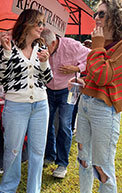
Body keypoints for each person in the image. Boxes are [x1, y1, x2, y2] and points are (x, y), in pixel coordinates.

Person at [71, 0, 122, 193]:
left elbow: (103, 77)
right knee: (83, 156)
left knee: (102, 165)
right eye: (95, 14)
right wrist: (82, 81)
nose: (96, 18)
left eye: (101, 14)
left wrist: (97, 47)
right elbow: (94, 77)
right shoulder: (101, 45)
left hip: (104, 110)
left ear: (115, 16)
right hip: (85, 104)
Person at [0, 9, 53, 193]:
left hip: (40, 105)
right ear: (27, 24)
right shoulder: (9, 46)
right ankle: (7, 190)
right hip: (16, 105)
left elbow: (48, 79)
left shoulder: (41, 46)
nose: (42, 27)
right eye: (39, 23)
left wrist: (44, 64)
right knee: (13, 149)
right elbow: (1, 78)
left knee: (37, 152)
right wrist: (5, 52)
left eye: (43, 24)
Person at [40, 28, 90, 178]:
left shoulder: (71, 45)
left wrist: (77, 68)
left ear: (54, 42)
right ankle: (50, 155)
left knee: (64, 124)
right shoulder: (43, 49)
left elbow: (91, 57)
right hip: (49, 89)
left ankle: (62, 164)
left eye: (45, 47)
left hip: (69, 89)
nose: (43, 51)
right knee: (47, 122)